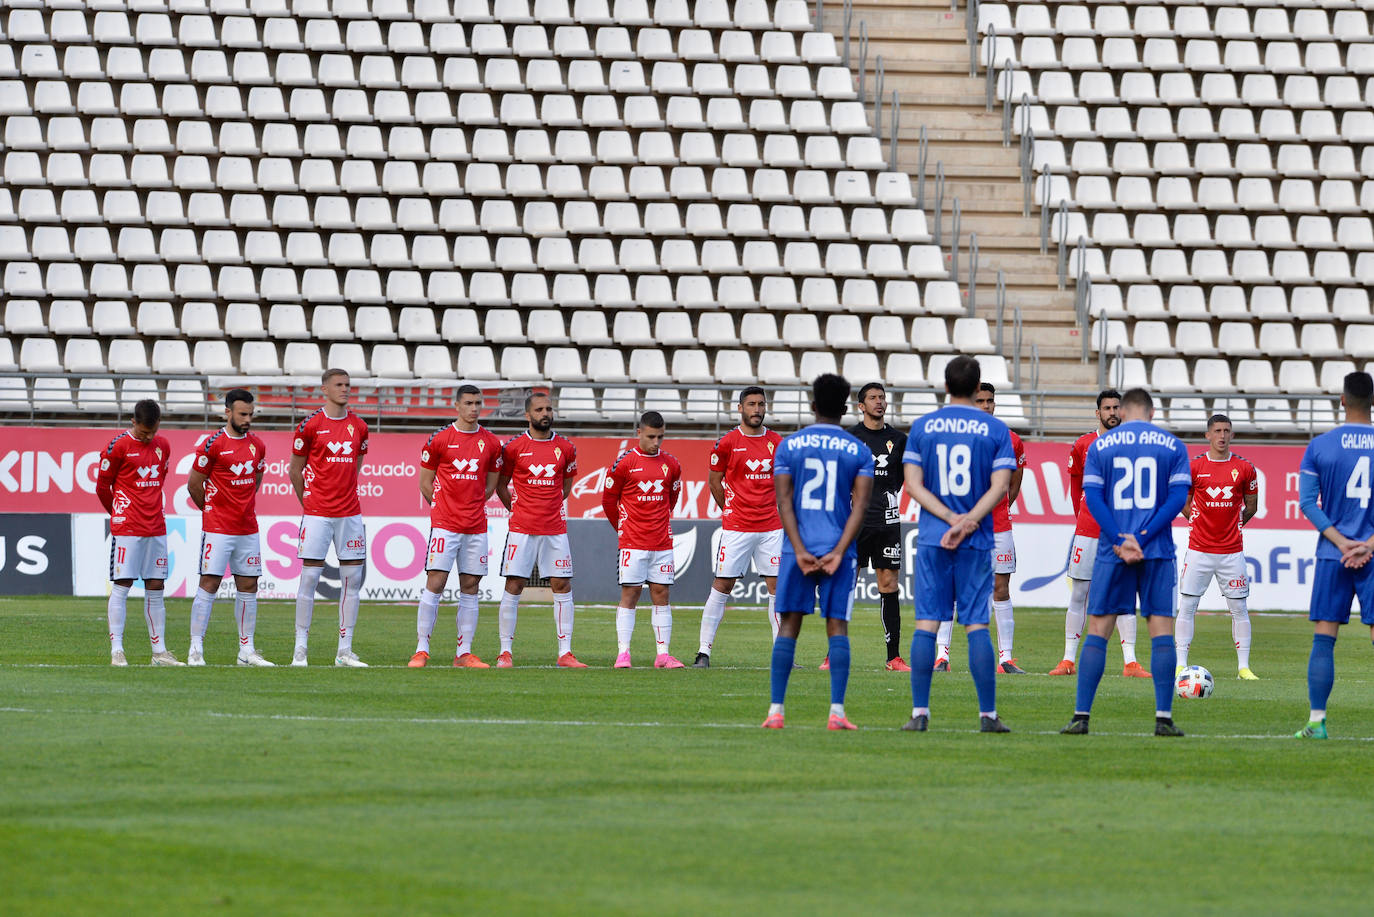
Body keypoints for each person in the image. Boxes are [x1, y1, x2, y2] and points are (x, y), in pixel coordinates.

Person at [1060, 388, 1190, 737]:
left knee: (1099, 631)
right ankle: (1163, 718)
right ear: (1150, 413)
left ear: (1125, 411)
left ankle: (1081, 716)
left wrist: (1119, 538)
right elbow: (1179, 497)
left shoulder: (1101, 446)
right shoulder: (1173, 446)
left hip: (1111, 551)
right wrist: (1143, 538)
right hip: (1156, 549)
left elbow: (1094, 498)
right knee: (1161, 632)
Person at [902, 356, 1015, 734]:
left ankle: (920, 713)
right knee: (977, 625)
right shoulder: (995, 429)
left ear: (946, 385)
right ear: (976, 384)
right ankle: (987, 715)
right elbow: (1000, 487)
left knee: (926, 624)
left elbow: (913, 485)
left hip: (935, 536)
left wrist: (949, 520)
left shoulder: (923, 426)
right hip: (977, 537)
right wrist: (968, 521)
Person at [762, 374, 873, 731]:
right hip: (838, 552)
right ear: (844, 409)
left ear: (812, 406)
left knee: (789, 626)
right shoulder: (859, 450)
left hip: (798, 551)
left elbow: (783, 502)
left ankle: (776, 712)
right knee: (837, 626)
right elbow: (861, 507)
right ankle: (837, 713)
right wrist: (840, 551)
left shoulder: (789, 446)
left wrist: (797, 548)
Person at [1294, 372, 1374, 739]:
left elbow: (1308, 503)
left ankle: (1316, 721)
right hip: (1373, 554)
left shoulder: (1321, 445)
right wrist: (1368, 545)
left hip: (1332, 554)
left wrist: (1342, 543)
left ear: (1342, 400)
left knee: (1324, 638)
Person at [1048, 389, 1150, 678]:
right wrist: (1082, 520)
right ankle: (1068, 659)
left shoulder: (1133, 445)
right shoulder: (1083, 445)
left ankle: (1130, 661)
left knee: (1124, 595)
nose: (1113, 413)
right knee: (1080, 592)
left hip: (1122, 533)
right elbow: (1076, 487)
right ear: (1098, 413)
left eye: (1117, 407)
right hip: (1089, 530)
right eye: (1107, 408)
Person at [932, 383, 1027, 674]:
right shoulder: (955, 437)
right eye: (980, 401)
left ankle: (1006, 659)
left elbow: (1014, 482)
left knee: (1000, 588)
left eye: (990, 401)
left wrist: (997, 509)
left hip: (998, 526)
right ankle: (942, 656)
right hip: (962, 525)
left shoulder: (1012, 439)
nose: (985, 406)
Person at [410, 385, 503, 668]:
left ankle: (464, 652)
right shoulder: (439, 440)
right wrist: (443, 509)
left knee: (471, 585)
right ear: (457, 406)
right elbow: (425, 483)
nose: (474, 409)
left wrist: (471, 505)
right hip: (445, 525)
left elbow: (490, 485)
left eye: (478, 403)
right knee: (435, 582)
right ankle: (421, 649)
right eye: (468, 403)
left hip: (476, 526)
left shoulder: (491, 443)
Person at [495, 392, 584, 668]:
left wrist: (550, 505)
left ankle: (565, 652)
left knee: (562, 585)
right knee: (515, 585)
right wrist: (518, 508)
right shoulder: (513, 447)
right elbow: (501, 484)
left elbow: (566, 485)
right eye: (539, 409)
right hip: (522, 528)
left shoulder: (566, 448)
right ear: (528, 415)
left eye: (548, 408)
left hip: (554, 529)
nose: (545, 413)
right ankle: (505, 651)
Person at [695, 387, 783, 667]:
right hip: (738, 527)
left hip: (771, 526)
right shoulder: (727, 442)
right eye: (751, 404)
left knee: (778, 588)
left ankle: (782, 656)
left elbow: (785, 482)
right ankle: (703, 652)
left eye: (761, 404)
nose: (757, 409)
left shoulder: (777, 442)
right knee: (722, 585)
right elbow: (714, 481)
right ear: (740, 408)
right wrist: (731, 510)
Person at [289, 369, 370, 667]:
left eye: (348, 385)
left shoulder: (359, 426)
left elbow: (356, 466)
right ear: (324, 389)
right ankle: (300, 649)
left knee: (352, 580)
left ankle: (344, 651)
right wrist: (309, 502)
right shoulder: (310, 425)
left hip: (349, 513)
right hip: (317, 514)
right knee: (309, 577)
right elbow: (294, 471)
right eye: (339, 385)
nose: (345, 389)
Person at [186, 389, 271, 666]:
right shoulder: (212, 445)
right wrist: (211, 511)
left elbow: (256, 478)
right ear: (228, 412)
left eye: (250, 414)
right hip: (218, 527)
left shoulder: (257, 445)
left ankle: (246, 650)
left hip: (247, 527)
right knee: (209, 583)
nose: (247, 419)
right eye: (242, 414)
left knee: (248, 584)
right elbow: (194, 484)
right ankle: (196, 649)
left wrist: (241, 505)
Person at [96, 399, 181, 666]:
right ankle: (117, 651)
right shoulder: (117, 446)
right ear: (133, 422)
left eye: (153, 431)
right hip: (128, 528)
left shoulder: (163, 445)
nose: (149, 437)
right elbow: (102, 487)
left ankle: (159, 652)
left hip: (156, 526)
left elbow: (160, 480)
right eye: (145, 432)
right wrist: (119, 514)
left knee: (156, 586)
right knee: (123, 585)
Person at [1175, 414, 1260, 679]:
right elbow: (1183, 502)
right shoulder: (1195, 467)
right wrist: (1197, 521)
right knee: (1187, 606)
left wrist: (1235, 525)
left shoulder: (1245, 469)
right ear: (1207, 435)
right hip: (1199, 549)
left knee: (1239, 609)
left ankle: (1243, 667)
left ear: (1232, 435)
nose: (1222, 435)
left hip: (1231, 552)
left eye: (1227, 430)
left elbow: (1252, 505)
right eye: (1217, 431)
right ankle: (1180, 664)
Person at [603, 412, 685, 668]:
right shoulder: (624, 463)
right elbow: (608, 501)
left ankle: (663, 654)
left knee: (662, 593)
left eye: (660, 436)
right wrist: (623, 528)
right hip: (633, 542)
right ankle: (623, 653)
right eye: (651, 436)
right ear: (639, 433)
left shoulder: (671, 464)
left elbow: (671, 499)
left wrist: (658, 521)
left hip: (661, 541)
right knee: (631, 593)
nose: (656, 442)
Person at [844, 382, 910, 671]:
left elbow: (903, 478)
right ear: (861, 406)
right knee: (845, 586)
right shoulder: (849, 438)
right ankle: (835, 653)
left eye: (882, 397)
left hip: (887, 523)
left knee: (889, 585)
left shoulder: (899, 439)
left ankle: (893, 656)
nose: (879, 402)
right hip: (854, 524)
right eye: (872, 398)